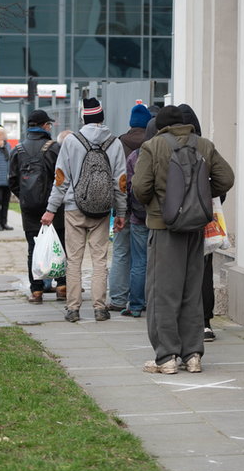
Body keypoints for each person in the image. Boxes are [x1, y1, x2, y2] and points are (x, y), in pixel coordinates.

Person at [132, 105, 234, 375]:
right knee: (192, 291)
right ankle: (193, 355)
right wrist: (198, 197)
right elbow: (226, 178)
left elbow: (140, 187)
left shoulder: (153, 147)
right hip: (196, 228)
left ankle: (166, 357)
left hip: (163, 227)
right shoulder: (205, 145)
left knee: (162, 293)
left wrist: (159, 204)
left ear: (162, 125)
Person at [41, 98, 127, 323]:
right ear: (102, 118)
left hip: (73, 208)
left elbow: (60, 179)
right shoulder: (114, 143)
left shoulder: (71, 142)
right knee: (100, 260)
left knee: (74, 260)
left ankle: (73, 308)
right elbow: (121, 182)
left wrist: (51, 209)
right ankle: (100, 308)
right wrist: (121, 213)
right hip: (101, 210)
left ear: (84, 118)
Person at [10, 110, 66, 303]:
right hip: (54, 208)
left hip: (29, 209)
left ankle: (36, 291)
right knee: (59, 246)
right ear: (44, 126)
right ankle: (62, 286)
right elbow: (62, 178)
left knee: (33, 248)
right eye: (49, 124)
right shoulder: (54, 148)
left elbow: (12, 181)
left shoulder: (17, 150)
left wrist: (25, 198)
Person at [179, 103, 221, 342]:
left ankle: (181, 320)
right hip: (202, 218)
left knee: (177, 269)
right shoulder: (206, 147)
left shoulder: (164, 147)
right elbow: (225, 179)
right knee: (204, 269)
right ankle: (204, 322)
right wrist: (209, 196)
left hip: (174, 219)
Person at [108, 103, 151, 312]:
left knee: (120, 253)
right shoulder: (153, 144)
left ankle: (117, 299)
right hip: (145, 210)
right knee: (143, 258)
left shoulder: (118, 143)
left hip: (123, 206)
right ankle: (142, 299)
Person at [122, 117, 158, 319]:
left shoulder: (135, 156)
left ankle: (135, 305)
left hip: (137, 216)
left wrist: (127, 211)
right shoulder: (164, 153)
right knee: (159, 262)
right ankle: (155, 304)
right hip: (159, 216)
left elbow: (127, 187)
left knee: (139, 262)